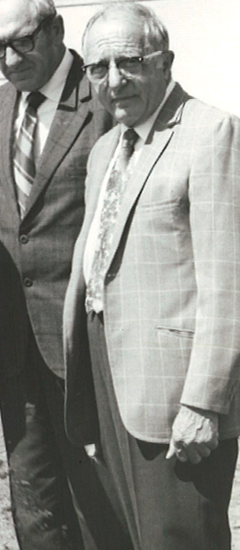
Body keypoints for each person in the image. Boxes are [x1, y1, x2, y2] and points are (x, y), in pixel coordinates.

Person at [62, 4, 240, 549]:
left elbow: (228, 281)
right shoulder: (104, 151)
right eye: (98, 68)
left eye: (130, 62)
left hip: (173, 395)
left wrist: (205, 402)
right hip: (105, 373)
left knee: (177, 539)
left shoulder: (210, 133)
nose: (114, 82)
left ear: (165, 62)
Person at [0, 1, 128, 549]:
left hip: (90, 343)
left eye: (22, 42)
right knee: (34, 506)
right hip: (17, 346)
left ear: (56, 30)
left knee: (101, 506)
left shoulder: (106, 97)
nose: (9, 59)